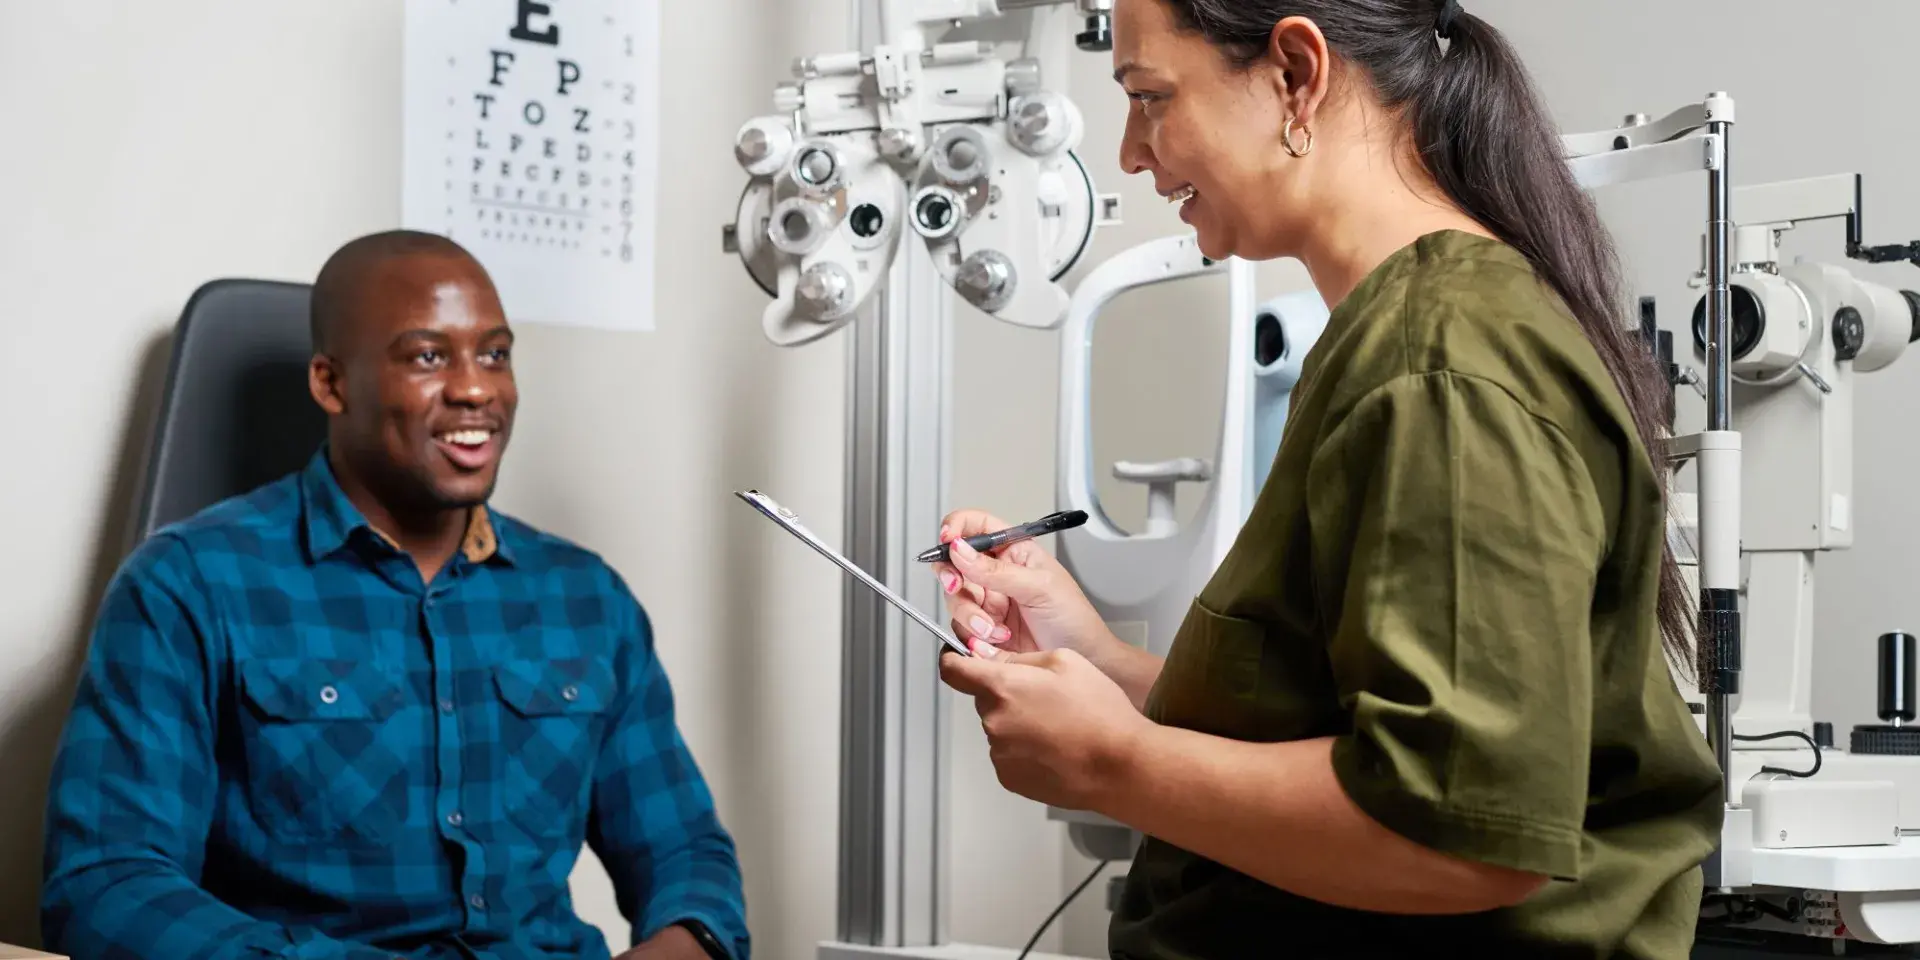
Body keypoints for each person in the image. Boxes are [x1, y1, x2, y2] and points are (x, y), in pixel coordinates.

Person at [931, 1, 1722, 958]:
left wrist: (1111, 761)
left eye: (1150, 99)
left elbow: (1462, 833)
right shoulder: (1394, 335)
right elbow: (1332, 722)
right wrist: (1100, 666)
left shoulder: (1442, 363)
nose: (1134, 154)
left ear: (1297, 73)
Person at [40, 230, 750, 960]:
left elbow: (686, 856)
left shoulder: (586, 599)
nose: (477, 388)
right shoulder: (186, 586)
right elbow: (107, 886)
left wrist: (682, 944)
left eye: (495, 354)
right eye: (428, 356)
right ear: (331, 383)